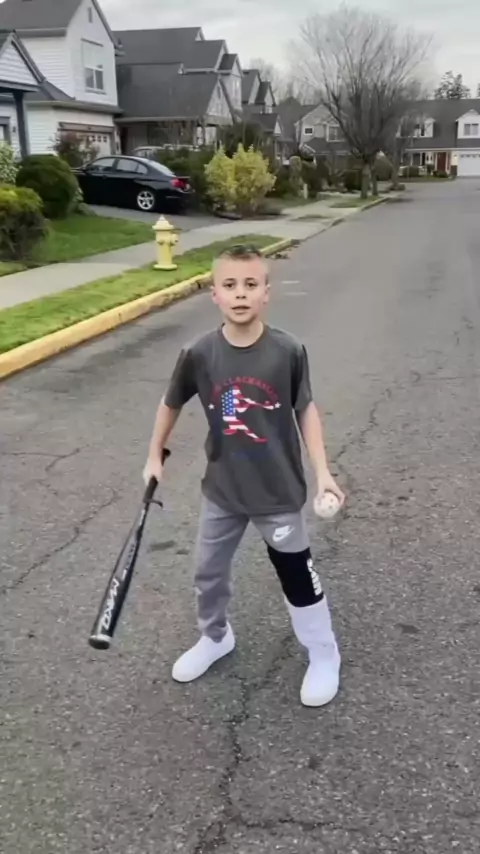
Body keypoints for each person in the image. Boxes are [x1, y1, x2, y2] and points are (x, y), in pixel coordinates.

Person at [143, 244, 345, 707]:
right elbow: (170, 403)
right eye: (230, 285)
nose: (240, 294)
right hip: (224, 492)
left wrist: (323, 473)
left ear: (266, 292)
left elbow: (305, 409)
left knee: (297, 576)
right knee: (207, 572)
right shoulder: (199, 353)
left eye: (250, 284)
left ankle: (323, 652)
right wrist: (154, 455)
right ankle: (215, 637)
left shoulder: (287, 350)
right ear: (214, 294)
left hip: (277, 492)